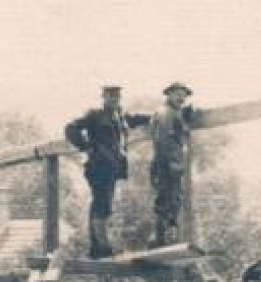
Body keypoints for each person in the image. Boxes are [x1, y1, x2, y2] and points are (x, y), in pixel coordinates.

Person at [64, 84, 150, 259]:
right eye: (110, 96)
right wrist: (85, 146)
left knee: (104, 203)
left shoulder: (120, 116)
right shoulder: (94, 115)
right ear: (103, 97)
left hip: (112, 167)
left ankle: (96, 248)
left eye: (117, 96)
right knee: (101, 202)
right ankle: (101, 246)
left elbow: (136, 119)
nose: (114, 99)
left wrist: (156, 116)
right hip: (97, 165)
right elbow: (70, 128)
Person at [148, 81, 196, 247]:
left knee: (173, 200)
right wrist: (170, 164)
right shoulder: (166, 113)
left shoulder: (175, 113)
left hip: (171, 163)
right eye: (178, 94)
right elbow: (163, 140)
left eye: (184, 95)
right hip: (167, 163)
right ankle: (160, 240)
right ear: (169, 94)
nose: (181, 98)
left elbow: (179, 135)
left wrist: (185, 120)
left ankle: (167, 239)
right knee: (166, 201)